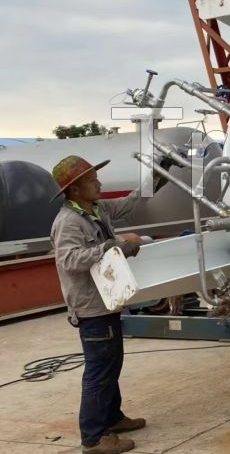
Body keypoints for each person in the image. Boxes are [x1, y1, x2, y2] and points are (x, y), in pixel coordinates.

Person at [50, 155, 165, 454]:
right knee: (99, 372)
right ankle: (93, 438)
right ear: (74, 189)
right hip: (91, 308)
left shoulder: (96, 209)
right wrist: (115, 247)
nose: (98, 183)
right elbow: (70, 259)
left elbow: (128, 203)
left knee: (111, 365)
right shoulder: (69, 222)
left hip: (107, 300)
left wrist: (155, 178)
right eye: (91, 179)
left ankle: (112, 418)